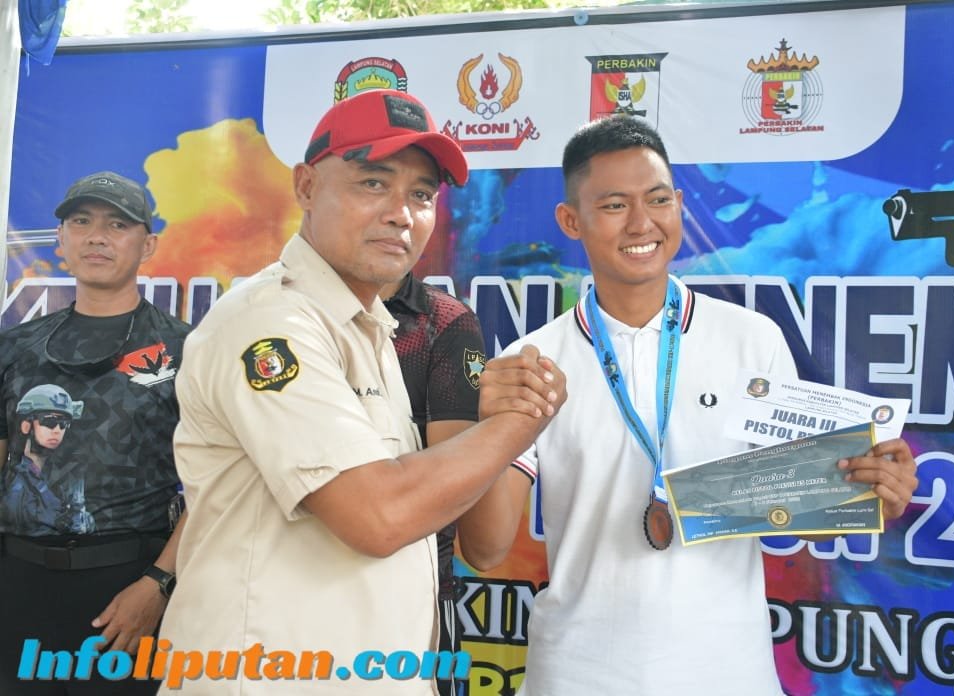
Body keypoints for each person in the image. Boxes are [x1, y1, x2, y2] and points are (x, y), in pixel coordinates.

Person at [457, 116, 920, 695]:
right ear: (570, 221)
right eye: (614, 205)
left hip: (728, 674)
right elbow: (484, 548)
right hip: (578, 675)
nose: (642, 223)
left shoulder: (752, 340)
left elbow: (810, 508)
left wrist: (872, 486)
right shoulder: (536, 363)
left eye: (656, 200)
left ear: (678, 204)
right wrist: (495, 430)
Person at [159, 89, 565, 695]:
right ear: (305, 187)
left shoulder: (365, 327)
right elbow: (378, 516)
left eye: (422, 195)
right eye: (374, 182)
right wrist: (513, 423)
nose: (402, 213)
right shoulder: (272, 323)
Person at [0, 171, 192, 694]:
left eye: (118, 224)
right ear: (60, 240)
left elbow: (217, 484)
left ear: (147, 244)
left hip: (126, 590)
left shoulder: (188, 349)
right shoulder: (17, 345)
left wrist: (158, 583)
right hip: (18, 586)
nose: (97, 236)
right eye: (80, 221)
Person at [380, 270, 487, 696]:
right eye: (373, 195)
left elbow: (449, 488)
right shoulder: (279, 314)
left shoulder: (443, 321)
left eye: (421, 197)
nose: (398, 214)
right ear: (309, 198)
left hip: (412, 590)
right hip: (289, 583)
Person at [0, 384, 94, 535]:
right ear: (26, 426)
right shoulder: (16, 483)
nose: (57, 430)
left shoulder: (67, 475)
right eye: (49, 421)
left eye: (63, 424)